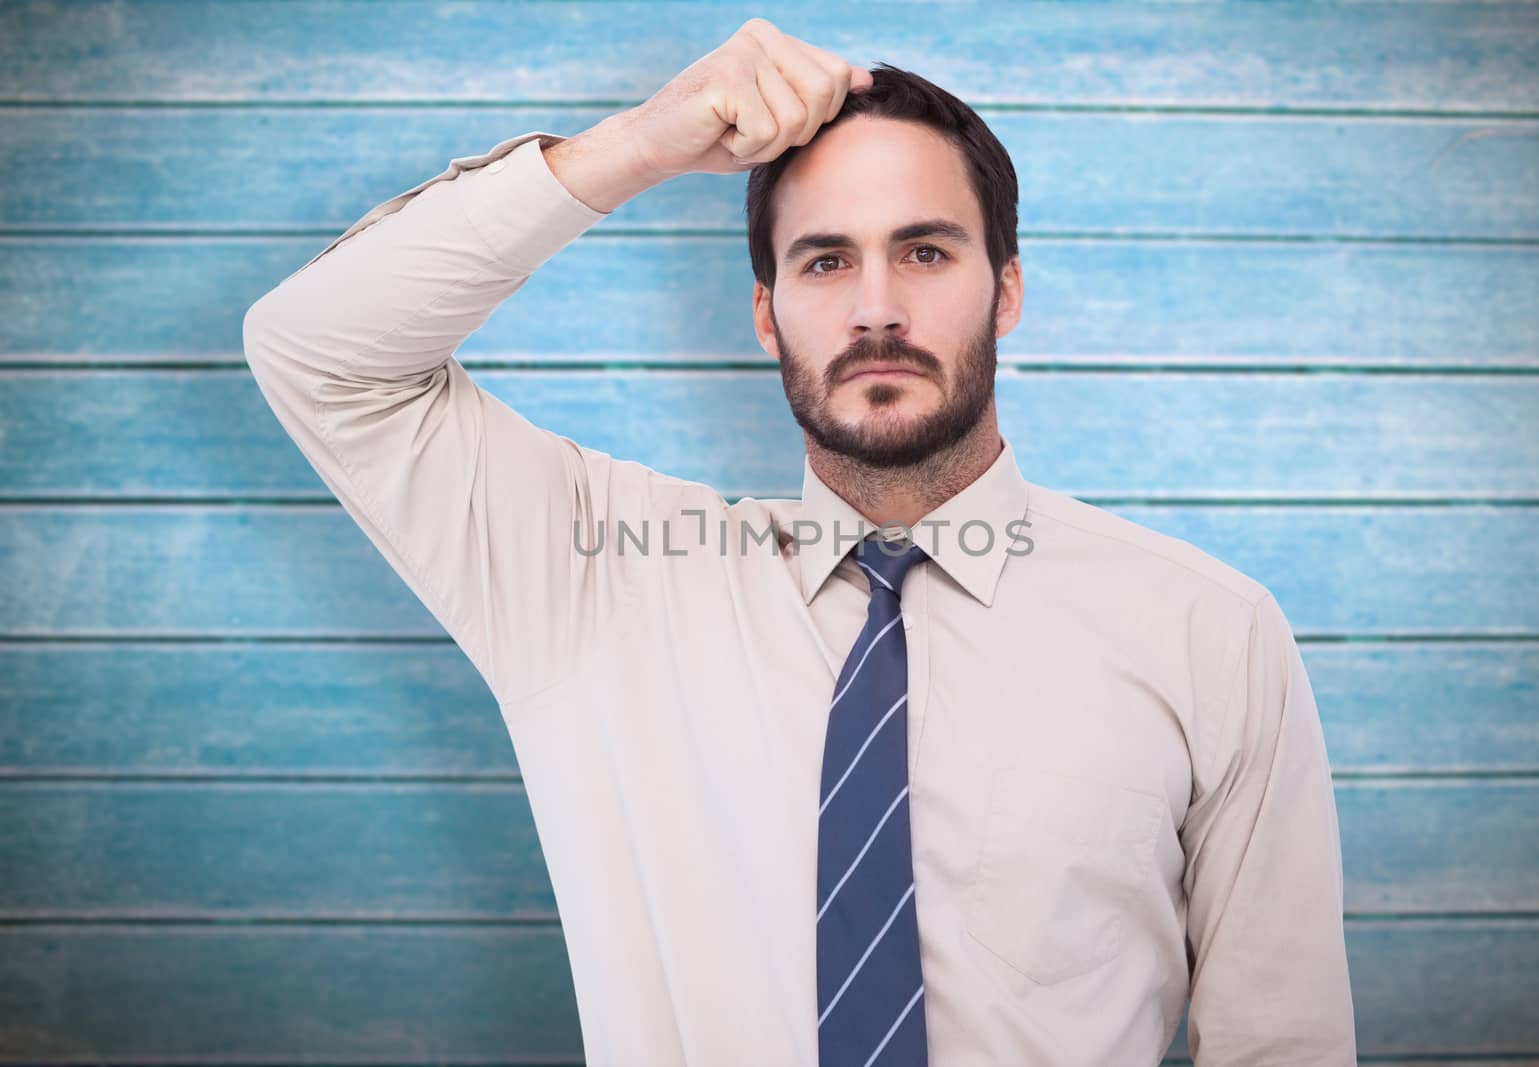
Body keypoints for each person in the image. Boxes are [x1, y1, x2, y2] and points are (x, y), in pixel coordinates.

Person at [241, 17, 1357, 1067]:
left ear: (1005, 290)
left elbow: (1284, 1042)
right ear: (767, 312)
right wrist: (635, 145)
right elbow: (318, 352)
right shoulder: (599, 585)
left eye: (924, 253)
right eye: (825, 261)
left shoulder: (1206, 628)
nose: (876, 308)